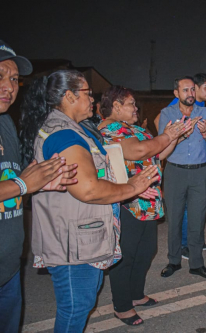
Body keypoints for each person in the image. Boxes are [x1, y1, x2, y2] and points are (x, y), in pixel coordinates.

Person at [19, 69, 159, 332]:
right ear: (69, 96)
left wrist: (132, 189)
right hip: (73, 244)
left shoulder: (76, 129)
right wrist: (131, 186)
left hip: (82, 237)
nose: (93, 100)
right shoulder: (63, 135)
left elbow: (98, 174)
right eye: (87, 94)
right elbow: (89, 190)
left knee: (82, 304)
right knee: (75, 310)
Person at [0, 40, 78, 333]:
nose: (9, 86)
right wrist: (22, 184)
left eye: (13, 79)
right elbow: (15, 184)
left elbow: (10, 183)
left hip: (8, 269)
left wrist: (41, 183)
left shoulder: (5, 122)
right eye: (0, 77)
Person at [98, 86, 191, 325]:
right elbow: (138, 151)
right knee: (125, 255)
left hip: (147, 200)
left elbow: (157, 154)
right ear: (116, 105)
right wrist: (168, 135)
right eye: (131, 104)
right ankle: (122, 305)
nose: (136, 108)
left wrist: (177, 135)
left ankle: (136, 294)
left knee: (146, 250)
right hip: (127, 200)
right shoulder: (110, 128)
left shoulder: (135, 129)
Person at [158, 76, 206, 279]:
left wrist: (205, 134)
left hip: (200, 172)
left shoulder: (204, 113)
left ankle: (196, 264)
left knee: (197, 219)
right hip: (175, 171)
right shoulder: (167, 114)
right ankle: (173, 261)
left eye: (192, 90)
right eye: (185, 90)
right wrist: (181, 134)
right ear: (176, 93)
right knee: (174, 219)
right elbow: (161, 146)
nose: (190, 94)